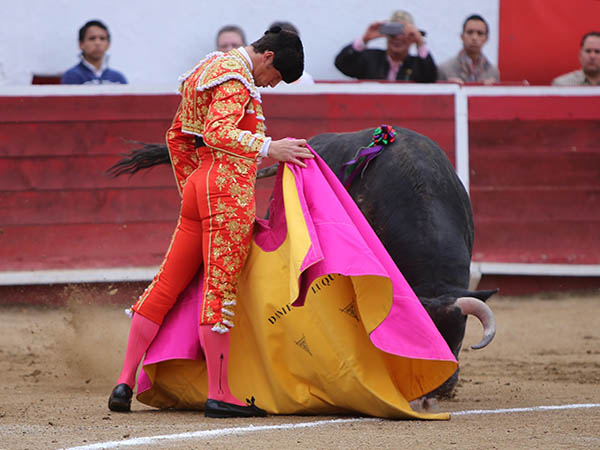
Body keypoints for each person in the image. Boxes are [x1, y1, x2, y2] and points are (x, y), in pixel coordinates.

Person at [107, 26, 312, 418]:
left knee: (165, 285)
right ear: (267, 58)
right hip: (227, 190)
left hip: (200, 185)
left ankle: (124, 381)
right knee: (219, 291)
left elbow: (176, 137)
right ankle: (220, 393)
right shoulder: (238, 77)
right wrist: (273, 148)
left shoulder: (208, 68)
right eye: (275, 77)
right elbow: (219, 132)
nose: (270, 86)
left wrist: (192, 189)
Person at [334, 10, 437, 82]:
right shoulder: (370, 59)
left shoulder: (418, 65)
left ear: (413, 39)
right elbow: (342, 64)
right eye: (393, 33)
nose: (398, 38)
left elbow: (430, 77)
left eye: (405, 33)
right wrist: (365, 39)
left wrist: (420, 43)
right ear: (386, 35)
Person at [437, 14, 499, 84]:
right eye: (470, 32)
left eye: (480, 33)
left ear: (486, 39)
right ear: (462, 36)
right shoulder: (445, 69)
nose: (474, 37)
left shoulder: (493, 72)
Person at [61, 20, 127, 85]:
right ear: (81, 44)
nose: (97, 43)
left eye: (102, 38)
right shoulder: (72, 76)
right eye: (92, 38)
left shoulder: (118, 79)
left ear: (108, 44)